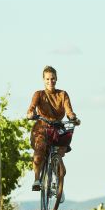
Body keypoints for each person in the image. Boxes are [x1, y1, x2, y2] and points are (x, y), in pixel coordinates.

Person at [26, 66, 80, 198]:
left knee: (61, 153)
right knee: (39, 153)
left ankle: (57, 182)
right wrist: (30, 114)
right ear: (43, 80)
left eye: (53, 78)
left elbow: (69, 110)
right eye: (48, 79)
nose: (51, 81)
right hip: (42, 128)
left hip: (56, 128)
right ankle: (37, 179)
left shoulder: (62, 94)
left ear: (57, 79)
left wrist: (73, 118)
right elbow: (31, 108)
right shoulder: (39, 94)